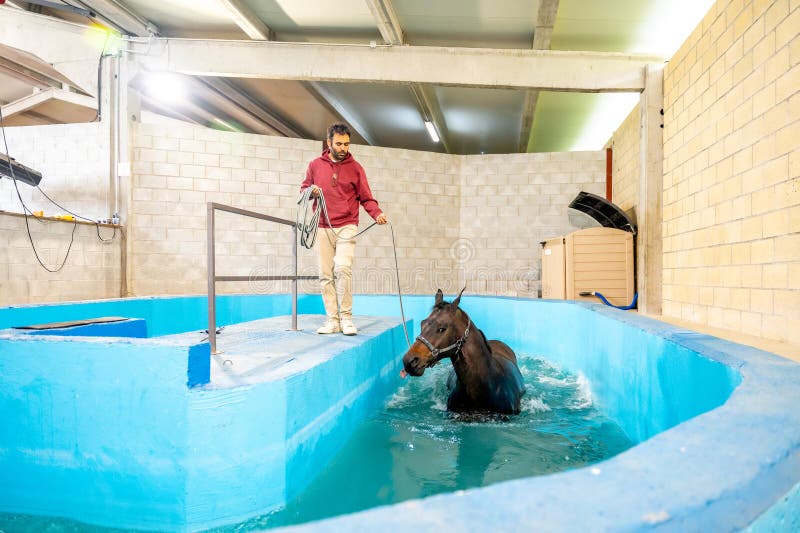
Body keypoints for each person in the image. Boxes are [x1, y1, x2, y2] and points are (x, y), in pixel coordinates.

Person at [300, 123, 388, 336]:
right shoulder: (315, 165)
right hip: (322, 225)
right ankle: (332, 320)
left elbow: (366, 197)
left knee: (342, 268)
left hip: (347, 225)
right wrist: (311, 191)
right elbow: (303, 190)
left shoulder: (356, 168)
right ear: (329, 142)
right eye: (338, 144)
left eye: (346, 144)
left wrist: (377, 213)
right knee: (325, 274)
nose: (343, 148)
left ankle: (346, 318)